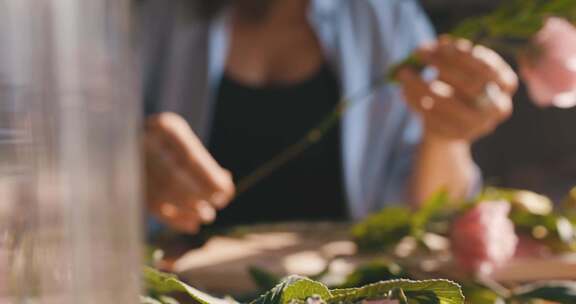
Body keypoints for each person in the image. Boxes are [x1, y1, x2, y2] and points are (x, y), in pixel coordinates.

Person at [139, 0, 517, 233]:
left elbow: (433, 210)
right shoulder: (150, 17)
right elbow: (92, 152)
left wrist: (446, 134)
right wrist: (124, 163)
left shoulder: (386, 18)